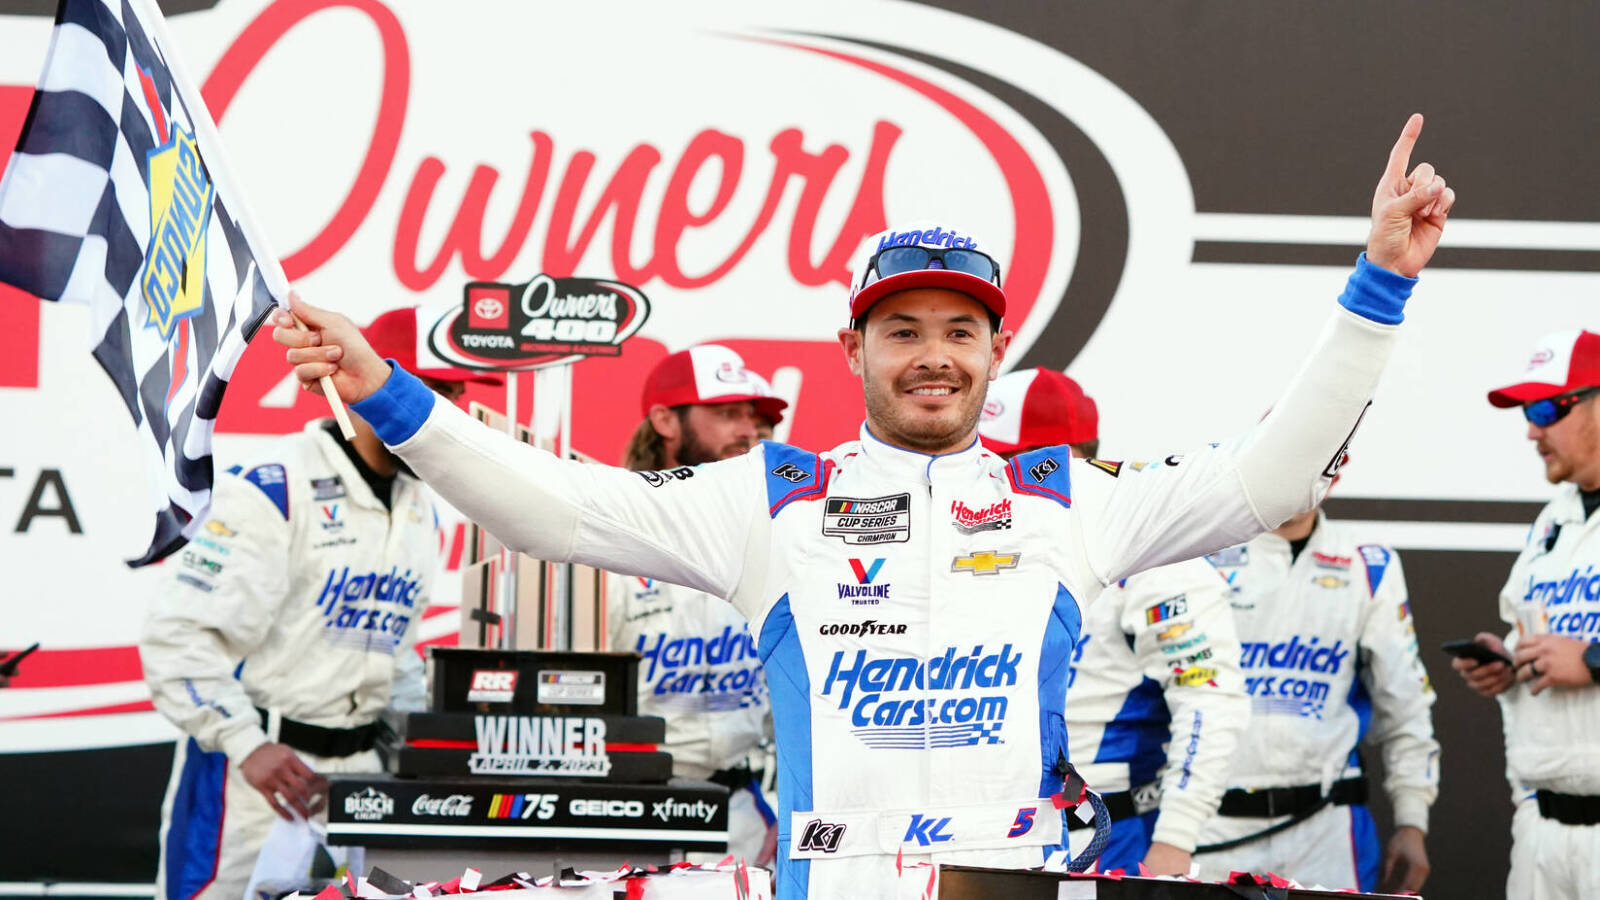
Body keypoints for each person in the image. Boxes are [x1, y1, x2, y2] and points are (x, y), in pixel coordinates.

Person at [273, 116, 1453, 897]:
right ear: (853, 347)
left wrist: (1379, 283)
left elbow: (1274, 475)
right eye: (901, 331)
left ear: (997, 349)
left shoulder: (1068, 498)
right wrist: (384, 385)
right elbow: (548, 509)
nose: (930, 357)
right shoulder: (772, 497)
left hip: (1016, 879)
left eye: (957, 331)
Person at [141, 308, 499, 900]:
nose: (444, 414)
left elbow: (391, 650)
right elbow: (180, 639)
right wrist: (246, 744)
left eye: (455, 395)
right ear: (362, 378)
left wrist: (427, 744)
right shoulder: (273, 485)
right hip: (256, 780)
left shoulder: (420, 503)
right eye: (431, 389)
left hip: (358, 783)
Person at [979, 368, 1248, 877]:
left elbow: (1210, 702)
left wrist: (1175, 840)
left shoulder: (1156, 558)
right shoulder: (975, 544)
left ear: (1073, 458)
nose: (992, 474)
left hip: (1108, 837)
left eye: (1011, 460)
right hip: (984, 839)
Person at [1192, 478, 1438, 893]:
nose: (1301, 475)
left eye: (1318, 463)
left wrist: (1412, 820)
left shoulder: (1368, 563)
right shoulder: (1202, 556)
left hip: (1326, 830)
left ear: (1335, 472)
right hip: (1212, 827)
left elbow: (1406, 705)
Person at [609, 344, 785, 863]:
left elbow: (795, 694)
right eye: (728, 414)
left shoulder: (778, 539)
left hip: (742, 812)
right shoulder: (609, 538)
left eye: (752, 418)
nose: (747, 431)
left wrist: (790, 807)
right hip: (632, 809)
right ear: (665, 420)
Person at [1454, 329, 1600, 900]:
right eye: (1526, 411)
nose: (1531, 429)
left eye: (1545, 408)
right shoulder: (1552, 520)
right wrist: (1510, 664)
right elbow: (1540, 642)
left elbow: (1582, 657)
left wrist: (1592, 658)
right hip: (1543, 832)